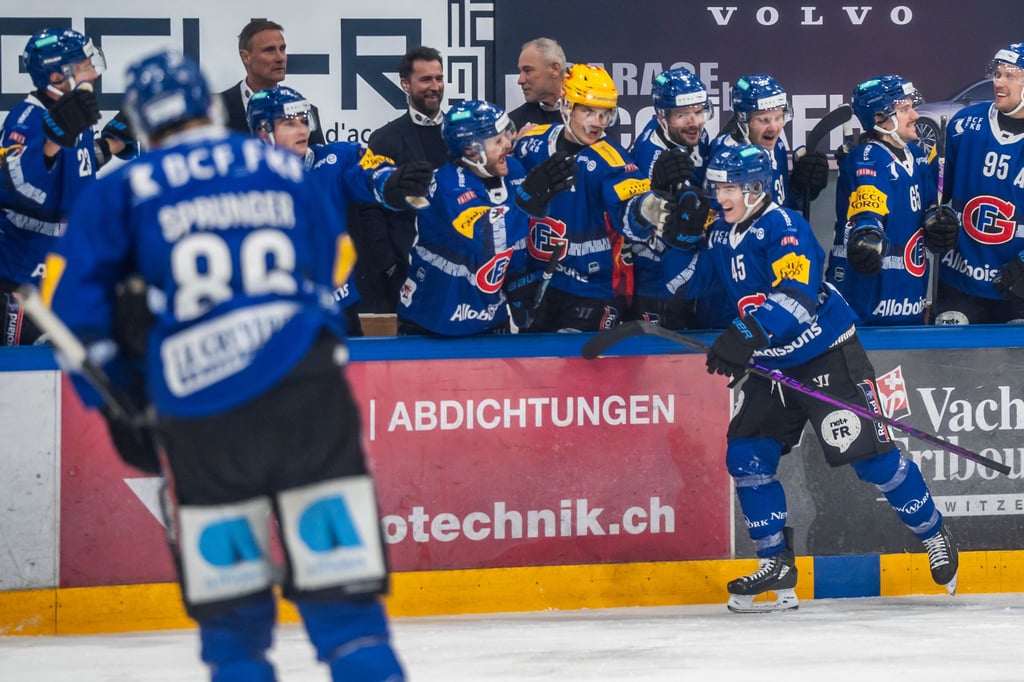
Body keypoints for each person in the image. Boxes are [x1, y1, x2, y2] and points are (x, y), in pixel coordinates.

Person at [43, 50, 405, 680]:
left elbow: (78, 318)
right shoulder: (282, 170)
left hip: (201, 423)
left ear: (142, 122)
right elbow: (329, 269)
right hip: (309, 405)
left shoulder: (121, 190)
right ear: (209, 108)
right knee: (349, 618)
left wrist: (121, 401)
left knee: (234, 636)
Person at [661, 144, 957, 612]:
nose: (719, 195)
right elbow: (684, 286)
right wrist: (676, 240)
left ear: (756, 188)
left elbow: (797, 294)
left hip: (826, 356)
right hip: (771, 364)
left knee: (874, 462)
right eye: (716, 186)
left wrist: (745, 332)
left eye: (727, 187)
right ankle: (776, 563)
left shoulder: (785, 227)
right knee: (746, 457)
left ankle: (933, 532)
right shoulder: (720, 234)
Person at [246, 85, 433, 337]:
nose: (302, 130)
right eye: (289, 124)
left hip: (337, 308)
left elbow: (368, 172)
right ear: (262, 132)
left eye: (303, 121)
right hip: (275, 315)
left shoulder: (334, 160)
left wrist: (390, 184)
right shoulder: (242, 182)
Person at [513, 63, 686, 332]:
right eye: (588, 111)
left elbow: (629, 211)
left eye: (605, 114)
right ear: (567, 106)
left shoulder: (612, 161)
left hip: (593, 289)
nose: (598, 122)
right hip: (538, 282)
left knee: (582, 371)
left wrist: (647, 207)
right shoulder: (529, 141)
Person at [0, 27, 136, 346]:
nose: (94, 73)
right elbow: (19, 183)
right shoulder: (26, 119)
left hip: (61, 269)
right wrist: (52, 142)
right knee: (22, 377)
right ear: (58, 78)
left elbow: (76, 167)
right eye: (85, 66)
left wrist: (114, 142)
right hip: (22, 279)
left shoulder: (75, 116)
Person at [396, 100, 576, 335]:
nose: (509, 145)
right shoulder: (445, 184)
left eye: (507, 135)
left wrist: (519, 281)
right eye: (498, 140)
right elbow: (485, 237)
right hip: (434, 321)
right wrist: (525, 200)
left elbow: (518, 240)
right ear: (471, 150)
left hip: (491, 318)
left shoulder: (514, 171)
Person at [699, 72, 831, 328]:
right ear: (742, 119)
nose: (775, 127)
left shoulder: (775, 147)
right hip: (736, 281)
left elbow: (777, 205)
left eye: (779, 117)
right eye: (764, 120)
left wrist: (803, 186)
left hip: (770, 269)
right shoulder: (724, 155)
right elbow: (719, 221)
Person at [825, 75, 940, 325]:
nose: (915, 116)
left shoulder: (918, 155)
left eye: (912, 107)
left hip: (909, 289)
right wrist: (868, 233)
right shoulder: (867, 158)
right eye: (904, 109)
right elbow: (869, 213)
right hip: (868, 295)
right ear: (879, 119)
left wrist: (938, 223)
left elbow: (930, 207)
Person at [929, 42, 1024, 324]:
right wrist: (933, 221)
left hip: (1017, 287)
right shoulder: (964, 124)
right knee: (948, 364)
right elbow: (930, 193)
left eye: (1011, 76)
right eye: (997, 74)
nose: (999, 83)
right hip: (959, 283)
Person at [353, 46, 448, 314]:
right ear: (405, 84)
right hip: (406, 268)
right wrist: (391, 265)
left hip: (461, 267)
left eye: (439, 78)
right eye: (426, 79)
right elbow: (369, 209)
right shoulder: (385, 139)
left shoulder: (460, 132)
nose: (435, 86)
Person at [627, 67, 713, 329]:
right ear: (661, 116)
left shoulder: (693, 136)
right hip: (657, 283)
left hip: (687, 271)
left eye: (699, 112)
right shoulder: (651, 157)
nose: (694, 122)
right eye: (682, 115)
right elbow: (645, 230)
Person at [218, 19, 325, 144]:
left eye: (282, 49)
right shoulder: (216, 108)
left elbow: (315, 161)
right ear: (246, 57)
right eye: (269, 50)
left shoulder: (304, 111)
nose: (280, 57)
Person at [508, 38, 566, 131]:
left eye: (528, 70)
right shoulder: (513, 125)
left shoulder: (591, 116)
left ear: (554, 69)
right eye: (521, 71)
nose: (520, 80)